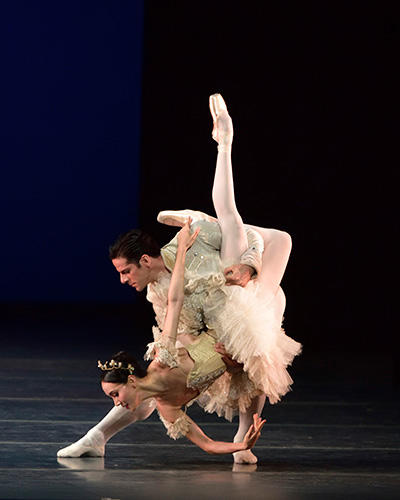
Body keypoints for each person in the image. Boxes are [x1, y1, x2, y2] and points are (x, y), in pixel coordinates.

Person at [57, 94, 301, 463]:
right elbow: (180, 324)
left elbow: (251, 236)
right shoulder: (156, 292)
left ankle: (224, 144)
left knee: (258, 245)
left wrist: (250, 265)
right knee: (149, 388)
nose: (123, 280)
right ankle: (97, 436)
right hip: (217, 329)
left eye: (126, 271)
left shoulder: (191, 242)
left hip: (251, 297)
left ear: (143, 260)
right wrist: (205, 355)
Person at [98, 219, 266, 456]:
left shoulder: (164, 357)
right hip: (232, 349)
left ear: (132, 380)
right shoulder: (167, 408)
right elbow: (207, 444)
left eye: (115, 394)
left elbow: (175, 300)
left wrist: (181, 254)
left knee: (275, 239)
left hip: (231, 317)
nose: (117, 403)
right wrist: (242, 446)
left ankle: (198, 218)